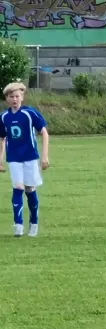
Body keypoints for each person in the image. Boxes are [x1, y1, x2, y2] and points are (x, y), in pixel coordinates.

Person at [0, 82, 50, 237]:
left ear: (22, 97)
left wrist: (45, 156)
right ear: (7, 99)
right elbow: (2, 139)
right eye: (11, 96)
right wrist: (0, 159)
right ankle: (18, 225)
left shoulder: (30, 113)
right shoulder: (4, 117)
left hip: (30, 157)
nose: (14, 99)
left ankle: (33, 223)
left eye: (17, 96)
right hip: (14, 158)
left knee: (29, 189)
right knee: (18, 187)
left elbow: (44, 133)